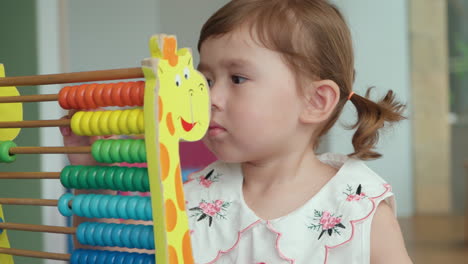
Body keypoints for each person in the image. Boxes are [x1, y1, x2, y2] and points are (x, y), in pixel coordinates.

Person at [61, 0, 413, 263]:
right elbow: (110, 245)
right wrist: (92, 174)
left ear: (315, 101)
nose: (210, 98)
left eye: (238, 79)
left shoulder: (360, 209)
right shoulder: (192, 197)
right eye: (207, 80)